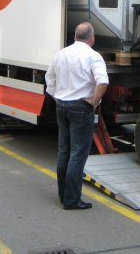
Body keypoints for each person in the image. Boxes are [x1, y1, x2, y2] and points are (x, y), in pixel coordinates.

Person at [45, 22, 109, 210]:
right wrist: (95, 101)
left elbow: (49, 79)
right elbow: (103, 82)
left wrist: (58, 96)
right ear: (92, 38)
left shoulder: (61, 54)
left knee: (64, 151)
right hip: (81, 107)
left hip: (62, 106)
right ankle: (72, 200)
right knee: (78, 154)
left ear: (75, 36)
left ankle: (63, 194)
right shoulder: (93, 56)